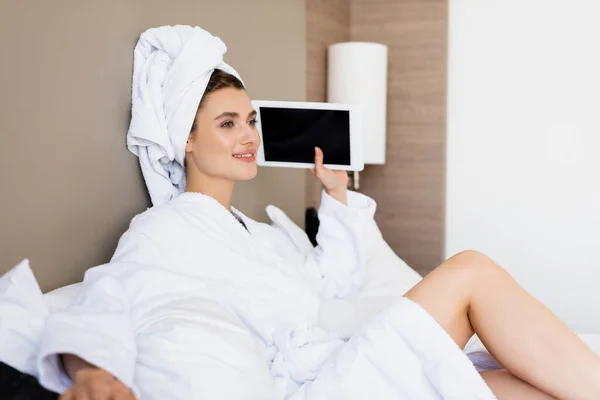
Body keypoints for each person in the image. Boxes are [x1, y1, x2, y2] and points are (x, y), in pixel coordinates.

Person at [37, 26, 600, 400]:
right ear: (184, 140)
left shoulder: (261, 234)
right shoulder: (163, 230)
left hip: (341, 364)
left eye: (251, 120)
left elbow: (336, 286)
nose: (249, 136)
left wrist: (336, 196)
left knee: (519, 385)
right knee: (470, 270)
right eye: (227, 123)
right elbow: (105, 297)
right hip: (318, 388)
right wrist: (92, 372)